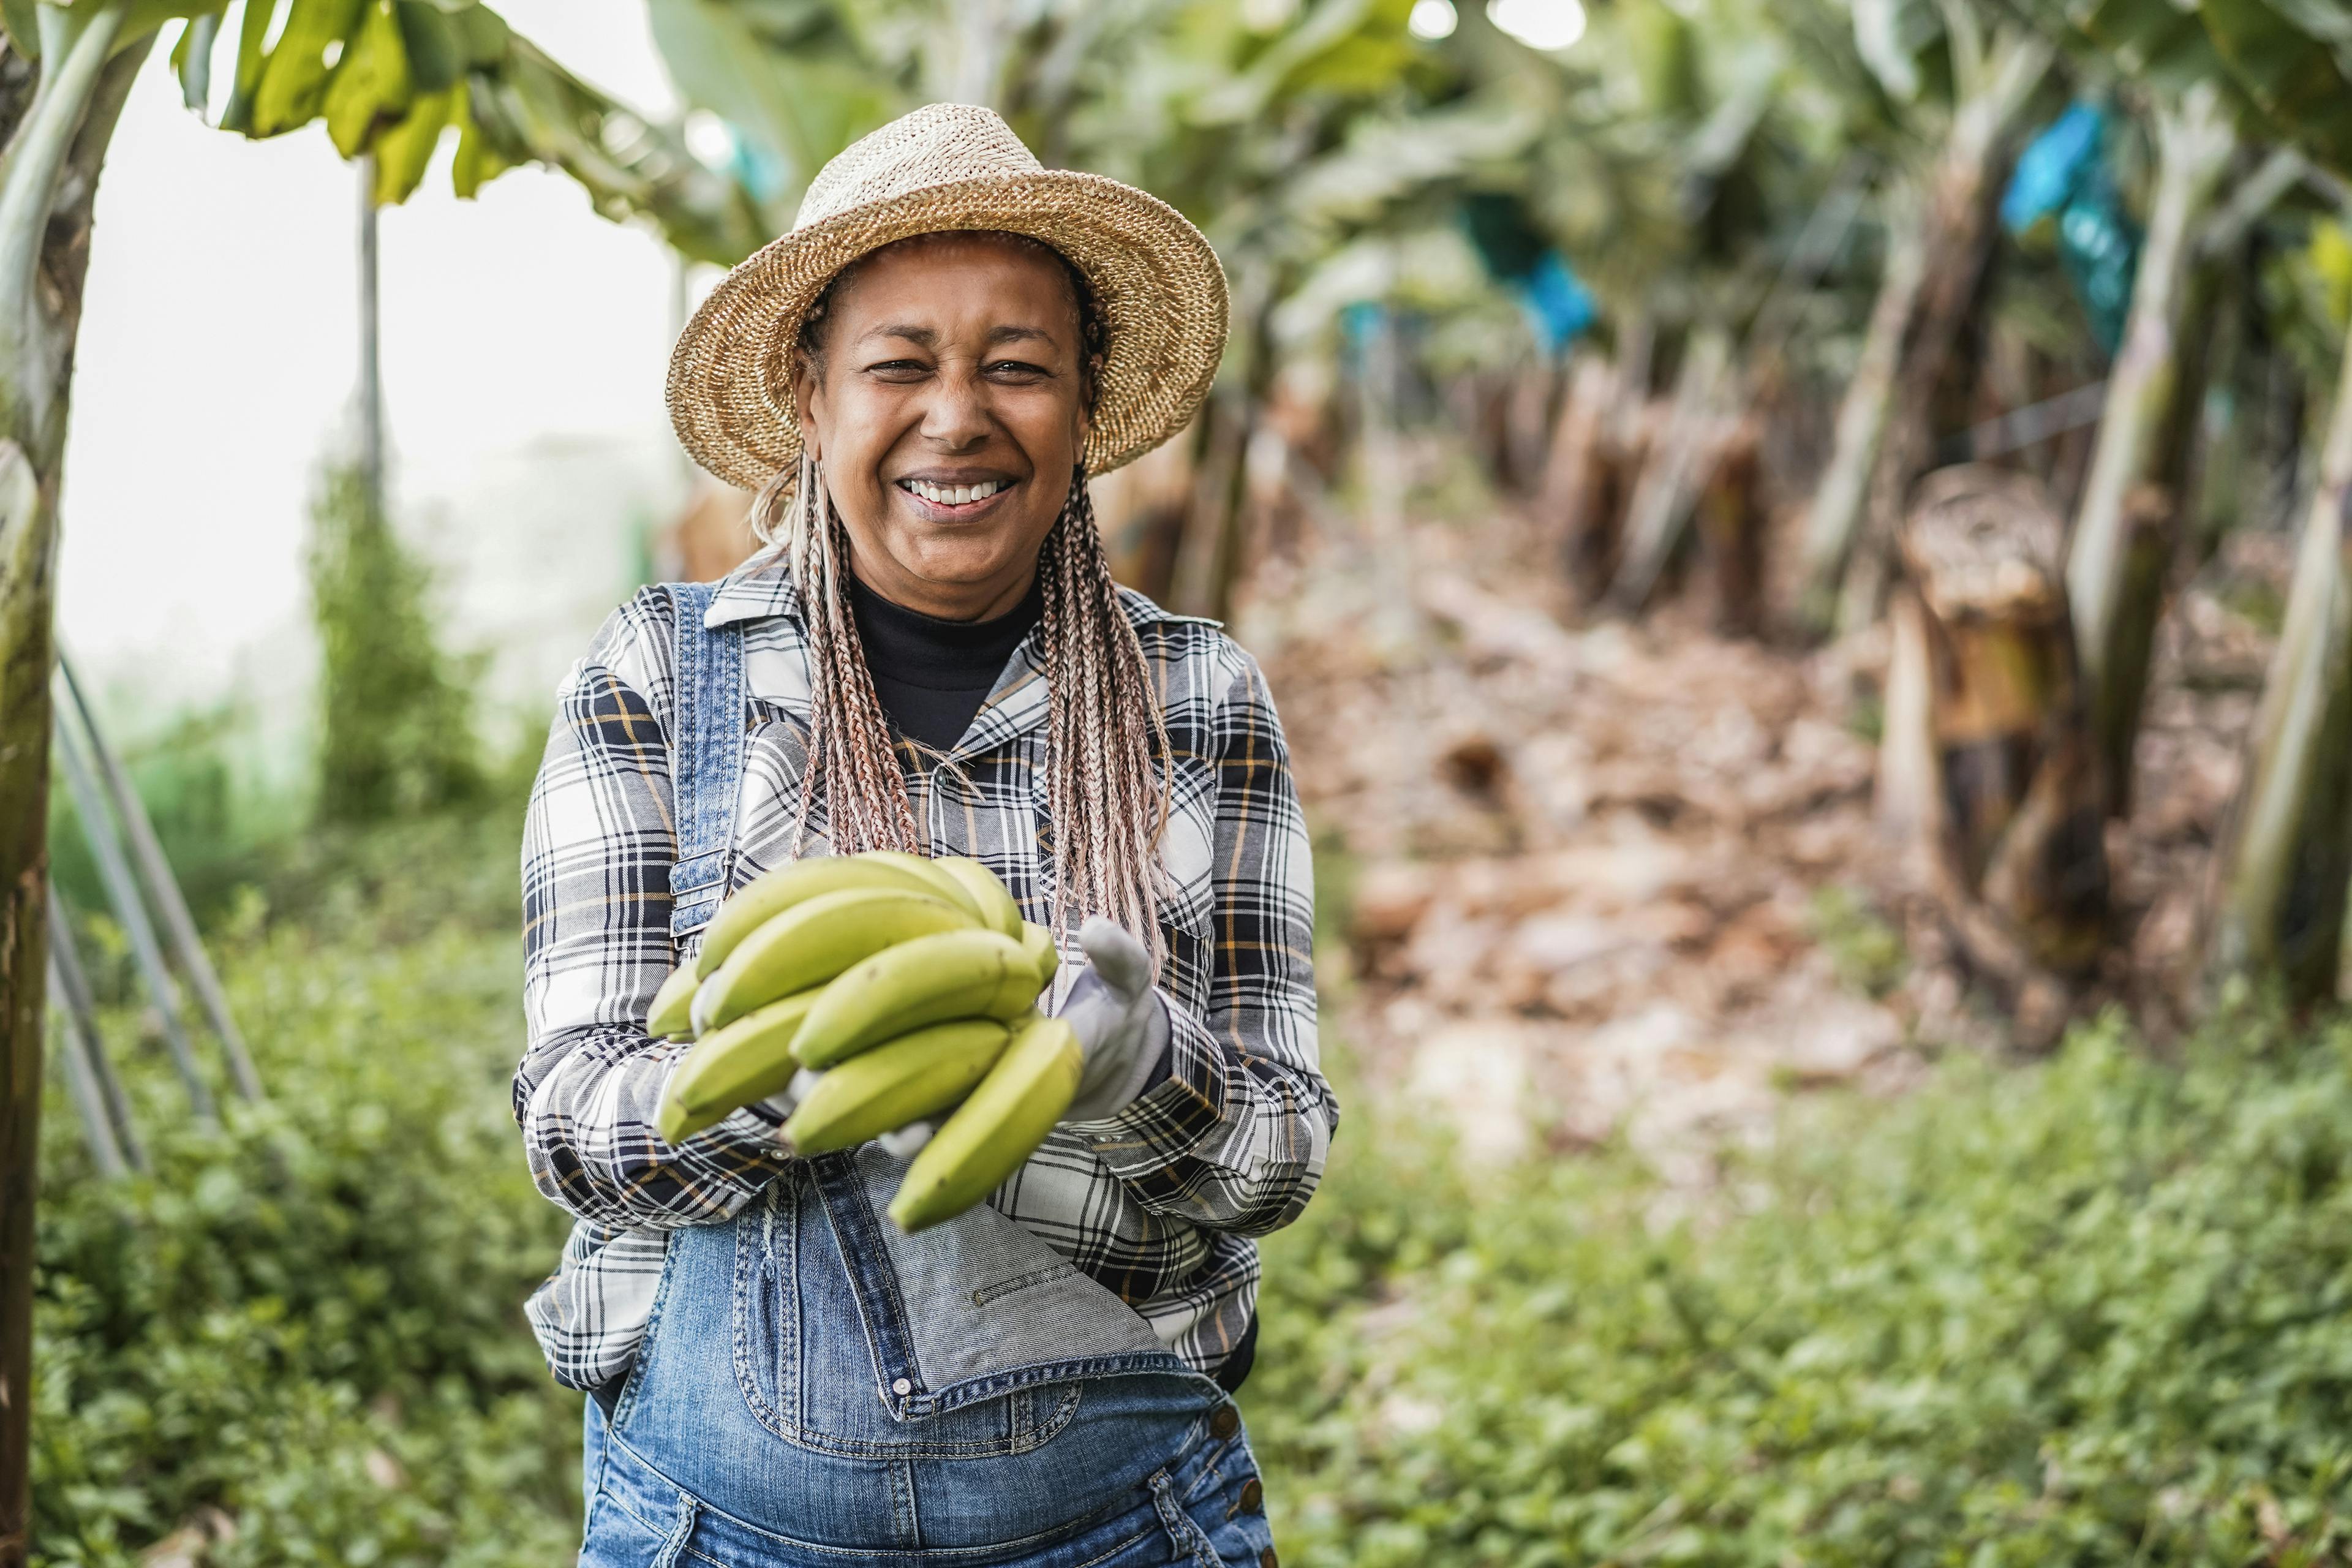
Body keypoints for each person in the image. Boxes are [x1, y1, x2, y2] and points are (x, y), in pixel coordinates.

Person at [516, 103, 1335, 1566]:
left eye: (1016, 366)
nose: (957, 415)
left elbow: (1278, 1155)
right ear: (812, 391)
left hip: (1124, 1525)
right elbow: (571, 1120)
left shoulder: (1198, 697)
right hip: (718, 1525)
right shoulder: (657, 677)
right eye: (900, 362)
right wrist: (796, 1065)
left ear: (1081, 408)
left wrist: (1141, 1068)